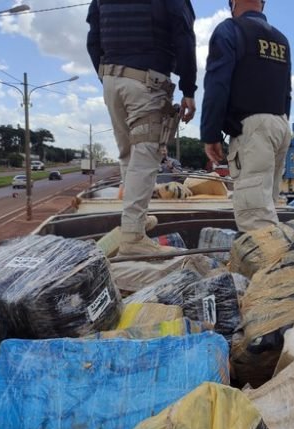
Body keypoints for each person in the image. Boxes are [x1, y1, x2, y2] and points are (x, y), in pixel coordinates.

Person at [86, 0, 197, 255]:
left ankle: (133, 223)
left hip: (112, 81)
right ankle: (133, 238)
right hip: (146, 83)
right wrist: (188, 89)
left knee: (128, 154)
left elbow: (93, 41)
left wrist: (107, 77)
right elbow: (184, 37)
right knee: (145, 156)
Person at [200, 0, 292, 232]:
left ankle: (268, 266)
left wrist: (210, 134)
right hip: (280, 124)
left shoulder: (230, 30)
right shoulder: (281, 40)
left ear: (233, 2)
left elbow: (217, 85)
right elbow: (287, 93)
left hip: (253, 130)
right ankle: (274, 262)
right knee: (267, 207)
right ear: (263, 3)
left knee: (255, 218)